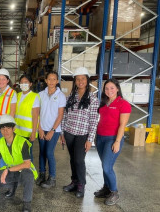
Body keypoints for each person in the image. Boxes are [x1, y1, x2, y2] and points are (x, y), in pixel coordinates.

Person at [61, 67, 99, 198]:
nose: (80, 81)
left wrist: (90, 139)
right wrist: (62, 132)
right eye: (77, 79)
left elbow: (94, 120)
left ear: (87, 80)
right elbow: (65, 116)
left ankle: (81, 184)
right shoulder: (70, 97)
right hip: (69, 132)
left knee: (79, 160)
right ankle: (74, 181)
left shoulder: (93, 99)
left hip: (83, 134)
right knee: (72, 159)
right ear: (75, 81)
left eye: (83, 78)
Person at [95, 79, 131, 206]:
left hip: (112, 139)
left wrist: (117, 141)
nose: (109, 91)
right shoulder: (104, 103)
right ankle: (106, 189)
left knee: (107, 166)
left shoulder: (123, 104)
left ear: (117, 88)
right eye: (106, 88)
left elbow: (122, 125)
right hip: (100, 138)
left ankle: (114, 192)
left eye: (112, 88)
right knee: (104, 165)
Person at [0, 115, 37, 212]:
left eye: (8, 128)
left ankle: (27, 203)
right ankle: (13, 186)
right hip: (12, 172)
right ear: (0, 130)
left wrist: (7, 170)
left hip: (24, 171)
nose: (5, 131)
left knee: (28, 176)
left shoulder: (22, 142)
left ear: (14, 129)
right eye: (3, 128)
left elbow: (27, 164)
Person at [37, 71, 66, 188]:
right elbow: (37, 113)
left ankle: (52, 178)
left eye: (54, 79)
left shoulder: (61, 96)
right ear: (46, 80)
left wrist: (52, 130)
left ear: (57, 81)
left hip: (54, 130)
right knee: (42, 153)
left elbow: (60, 115)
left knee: (49, 152)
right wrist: (39, 128)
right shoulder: (40, 95)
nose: (52, 82)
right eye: (49, 79)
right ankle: (42, 175)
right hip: (42, 128)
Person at [15, 74, 40, 161]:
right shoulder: (18, 95)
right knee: (18, 153)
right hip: (17, 131)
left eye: (26, 82)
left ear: (30, 84)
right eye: (21, 82)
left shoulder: (34, 96)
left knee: (27, 154)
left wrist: (33, 132)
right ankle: (21, 172)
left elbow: (35, 116)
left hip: (28, 133)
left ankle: (30, 173)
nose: (23, 84)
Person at [0, 68, 17, 142]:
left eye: (3, 79)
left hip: (4, 125)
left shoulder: (12, 93)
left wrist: (10, 126)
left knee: (1, 146)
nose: (1, 81)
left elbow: (12, 112)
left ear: (8, 80)